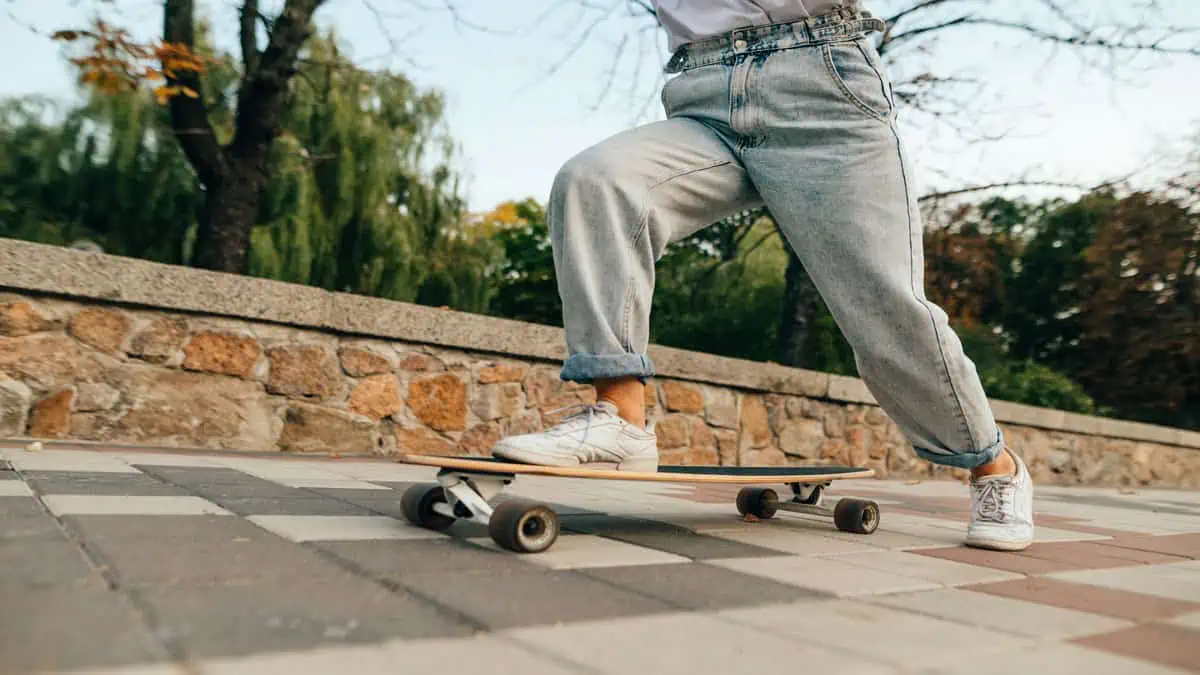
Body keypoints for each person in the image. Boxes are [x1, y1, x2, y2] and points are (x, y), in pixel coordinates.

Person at [489, 0, 1034, 552]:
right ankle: (621, 417)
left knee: (884, 309)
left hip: (825, 89)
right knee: (597, 182)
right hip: (704, 92)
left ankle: (994, 466)